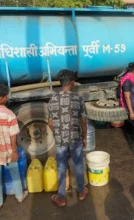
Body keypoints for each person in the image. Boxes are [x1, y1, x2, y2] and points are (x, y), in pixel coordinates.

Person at [48, 70, 88, 207]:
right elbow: (83, 120)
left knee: (61, 167)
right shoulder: (78, 98)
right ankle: (82, 192)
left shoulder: (52, 99)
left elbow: (50, 123)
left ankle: (61, 197)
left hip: (60, 140)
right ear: (71, 83)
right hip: (75, 138)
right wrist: (84, 137)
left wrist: (57, 134)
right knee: (78, 164)